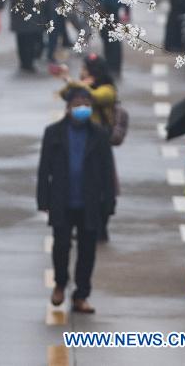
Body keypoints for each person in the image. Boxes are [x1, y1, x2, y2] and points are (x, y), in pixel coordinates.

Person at [37, 87, 115, 313]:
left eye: (86, 104)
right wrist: (43, 200)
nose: (82, 108)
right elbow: (44, 169)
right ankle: (60, 283)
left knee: (87, 251)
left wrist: (108, 202)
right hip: (62, 200)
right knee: (61, 246)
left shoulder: (99, 134)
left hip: (90, 202)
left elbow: (107, 171)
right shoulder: (54, 133)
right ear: (68, 107)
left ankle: (81, 294)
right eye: (78, 104)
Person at [57, 54, 119, 242]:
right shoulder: (81, 87)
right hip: (79, 141)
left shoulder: (107, 90)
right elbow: (64, 94)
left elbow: (93, 96)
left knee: (103, 183)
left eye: (85, 69)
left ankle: (102, 223)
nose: (82, 72)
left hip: (98, 144)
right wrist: (72, 82)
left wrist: (75, 82)